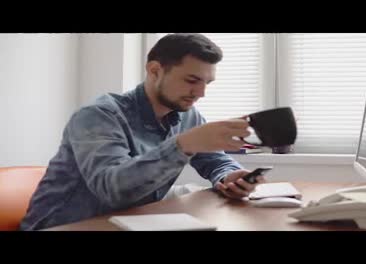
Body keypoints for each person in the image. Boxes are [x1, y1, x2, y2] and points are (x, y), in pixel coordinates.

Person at [19, 33, 266, 231]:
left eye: (207, 83)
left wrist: (229, 176)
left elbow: (214, 160)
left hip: (127, 222)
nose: (201, 93)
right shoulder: (98, 116)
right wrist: (182, 145)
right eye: (191, 80)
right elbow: (112, 190)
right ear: (155, 70)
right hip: (64, 226)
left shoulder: (187, 115)